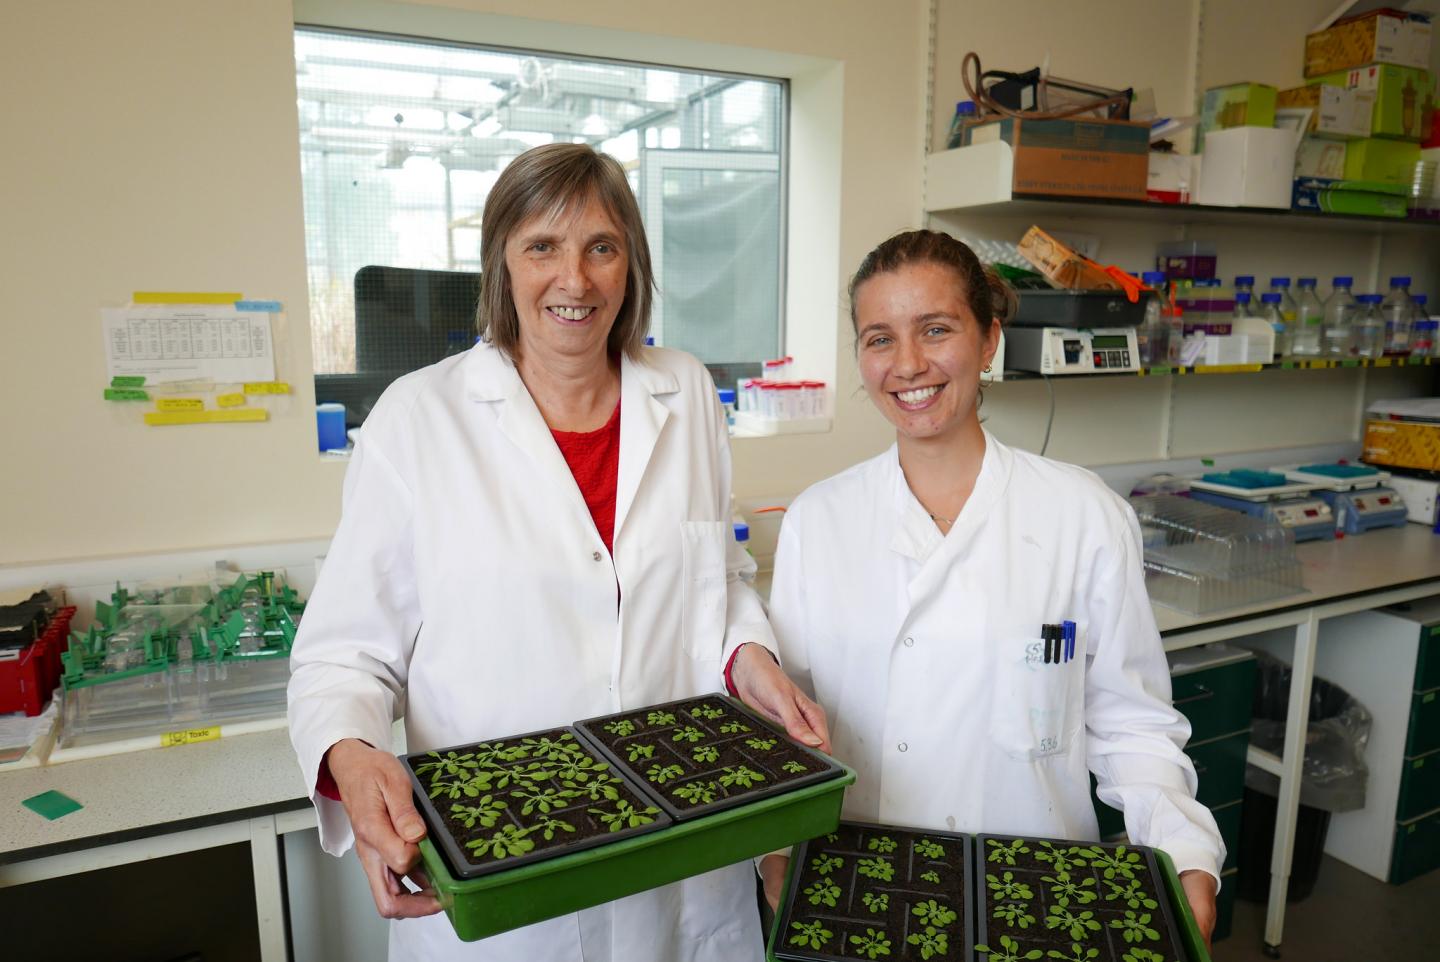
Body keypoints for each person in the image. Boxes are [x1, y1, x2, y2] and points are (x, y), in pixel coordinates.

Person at [288, 142, 829, 962]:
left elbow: (716, 577)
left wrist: (746, 655)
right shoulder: (418, 418)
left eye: (600, 247)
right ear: (502, 264)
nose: (574, 280)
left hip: (681, 863)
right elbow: (344, 656)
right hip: (506, 876)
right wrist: (353, 756)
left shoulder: (684, 390)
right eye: (543, 246)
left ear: (630, 263)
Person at [759, 230, 1221, 943]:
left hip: (1033, 893)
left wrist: (1185, 853)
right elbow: (786, 726)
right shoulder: (819, 521)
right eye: (880, 339)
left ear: (988, 342)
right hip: (857, 893)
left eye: (935, 329)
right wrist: (776, 854)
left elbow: (1132, 725)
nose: (907, 364)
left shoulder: (1082, 515)